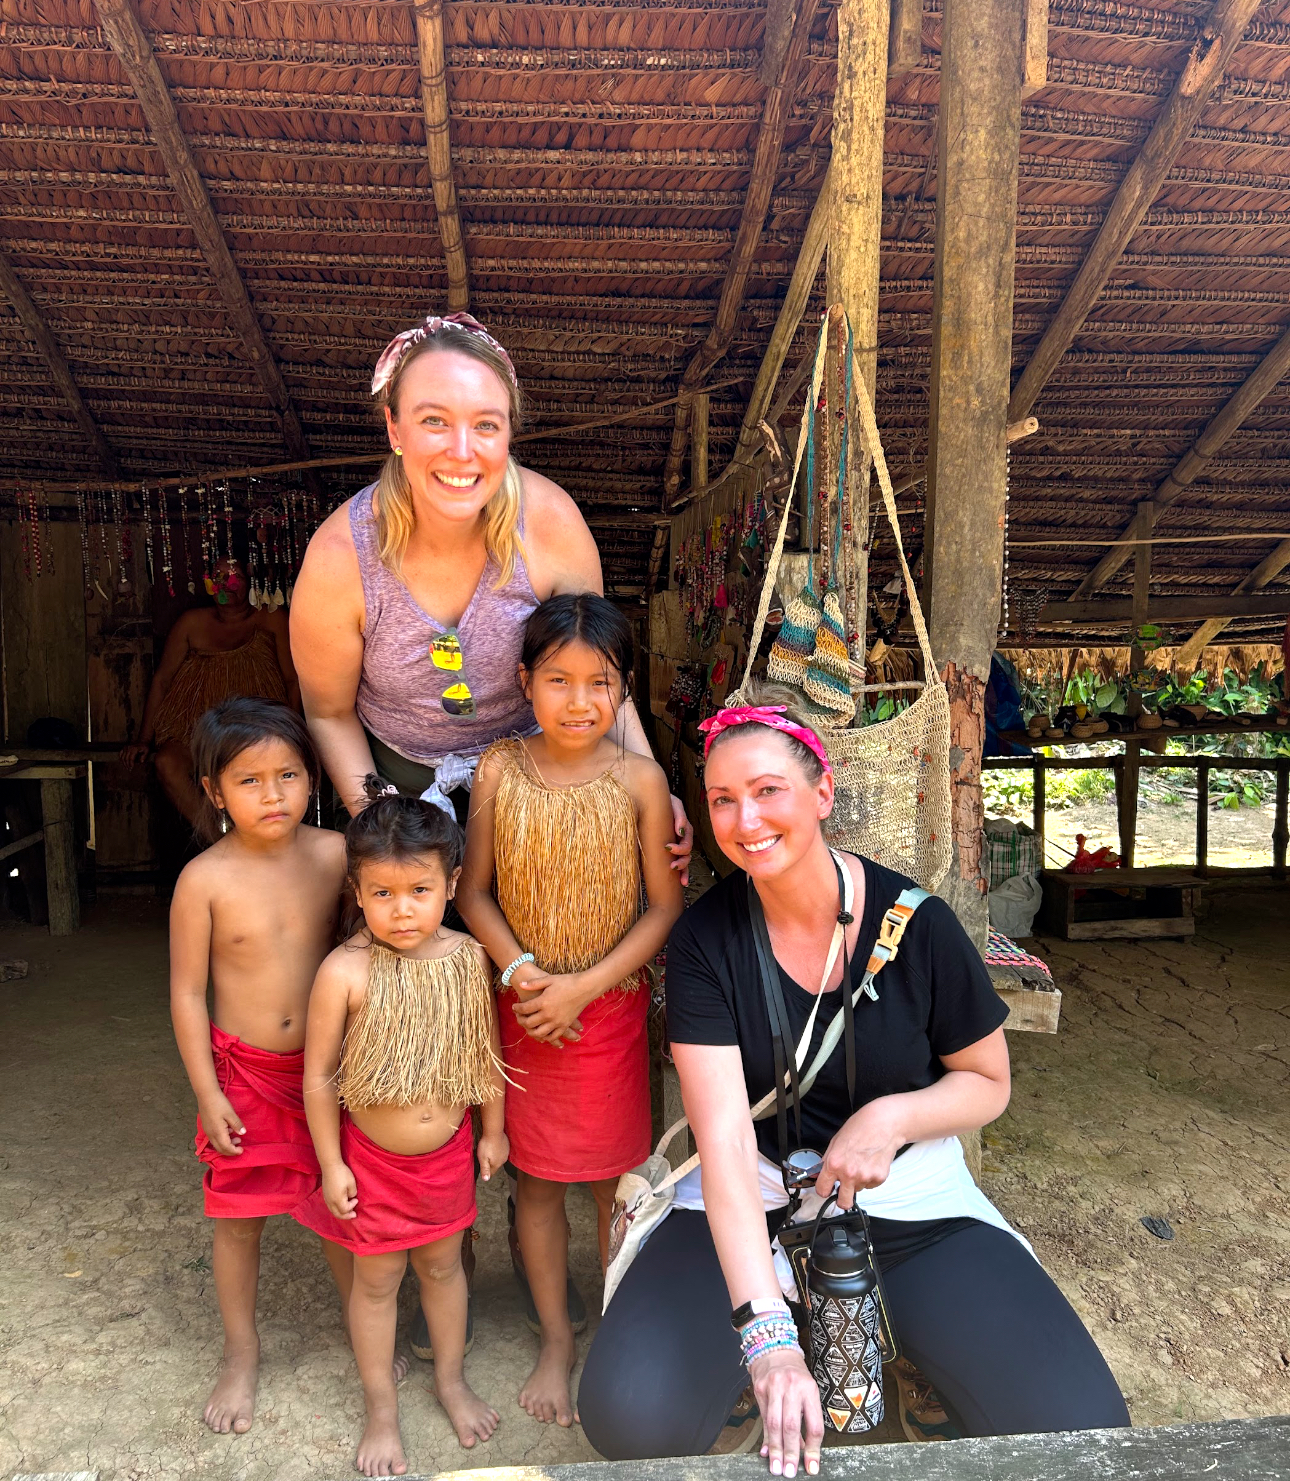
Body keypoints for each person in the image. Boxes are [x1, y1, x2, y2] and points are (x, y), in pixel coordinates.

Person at [578, 685, 1130, 1472]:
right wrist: (765, 1338)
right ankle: (768, 1350)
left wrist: (893, 1118)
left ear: (822, 792)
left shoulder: (919, 925)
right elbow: (728, 1142)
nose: (746, 820)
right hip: (756, 1197)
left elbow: (986, 1081)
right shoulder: (706, 938)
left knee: (1079, 1428)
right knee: (631, 1415)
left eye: (769, 790)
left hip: (905, 1203)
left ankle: (906, 1357)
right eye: (723, 799)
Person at [288, 309, 691, 1346]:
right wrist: (379, 812)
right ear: (391, 426)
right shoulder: (345, 553)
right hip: (401, 779)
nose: (462, 450)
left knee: (530, 979)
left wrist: (648, 783)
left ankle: (560, 1242)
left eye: (487, 425)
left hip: (538, 778)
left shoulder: (548, 523)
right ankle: (431, 1245)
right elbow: (329, 707)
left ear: (510, 431)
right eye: (435, 421)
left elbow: (594, 669)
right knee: (411, 993)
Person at [457, 593, 683, 1428]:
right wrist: (521, 971)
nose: (579, 700)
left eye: (600, 681)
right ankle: (556, 1335)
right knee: (540, 1184)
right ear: (524, 681)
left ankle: (622, 1321)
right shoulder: (498, 770)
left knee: (614, 1187)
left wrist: (582, 986)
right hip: (522, 1010)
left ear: (624, 690)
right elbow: (472, 890)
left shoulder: (642, 780)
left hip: (610, 1012)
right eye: (558, 679)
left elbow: (662, 908)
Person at [295, 781, 508, 1476]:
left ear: (449, 883)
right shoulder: (344, 971)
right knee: (378, 1279)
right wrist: (332, 1164)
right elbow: (321, 1076)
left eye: (418, 889)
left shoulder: (467, 959)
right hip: (372, 1163)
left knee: (444, 1268)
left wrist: (492, 1130)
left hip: (445, 1156)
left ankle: (449, 1378)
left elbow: (486, 1054)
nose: (402, 908)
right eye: (381, 893)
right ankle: (380, 1406)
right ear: (356, 891)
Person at [168, 697, 348, 1436]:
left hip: (330, 1070)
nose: (273, 794)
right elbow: (185, 991)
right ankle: (240, 1351)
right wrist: (207, 1091)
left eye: (289, 775)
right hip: (242, 1070)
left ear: (313, 778)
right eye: (249, 780)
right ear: (213, 791)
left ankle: (363, 1322)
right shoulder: (202, 879)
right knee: (238, 1221)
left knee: (343, 1207)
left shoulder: (338, 854)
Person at [123, 558, 299, 824]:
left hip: (256, 731)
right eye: (217, 577)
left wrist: (293, 734)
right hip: (193, 731)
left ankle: (255, 846)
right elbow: (162, 680)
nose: (225, 584)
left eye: (234, 575)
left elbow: (292, 680)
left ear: (250, 580)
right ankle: (219, 845)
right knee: (167, 762)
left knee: (249, 769)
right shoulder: (191, 622)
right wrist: (144, 739)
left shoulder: (271, 617)